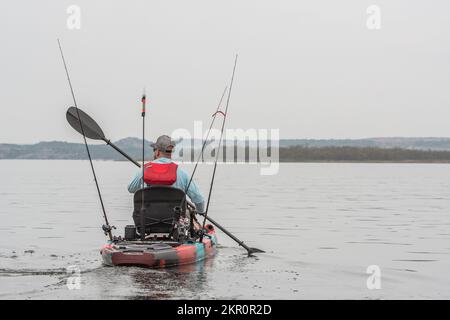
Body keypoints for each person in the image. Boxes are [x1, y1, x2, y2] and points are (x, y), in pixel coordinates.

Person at [127, 135, 206, 214]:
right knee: (188, 213)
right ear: (170, 152)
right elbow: (199, 200)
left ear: (157, 152)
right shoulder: (182, 173)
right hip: (174, 222)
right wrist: (200, 211)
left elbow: (131, 188)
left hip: (147, 221)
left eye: (154, 149)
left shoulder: (144, 170)